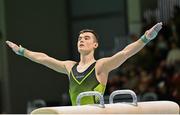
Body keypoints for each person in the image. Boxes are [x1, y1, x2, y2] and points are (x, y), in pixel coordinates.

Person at [6, 22, 163, 106]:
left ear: (95, 45)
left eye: (87, 38)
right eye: (80, 38)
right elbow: (43, 58)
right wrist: (22, 51)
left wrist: (145, 38)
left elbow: (125, 53)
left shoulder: (101, 66)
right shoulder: (69, 67)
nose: (82, 40)